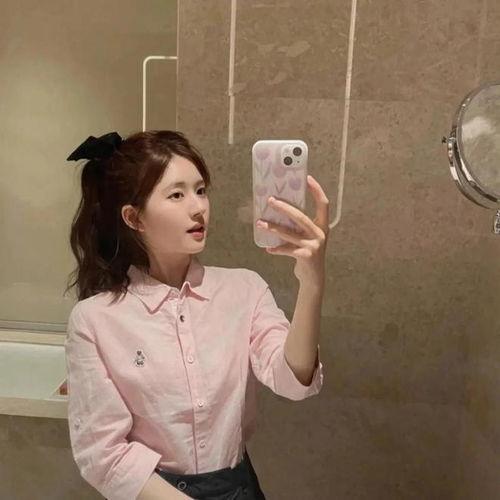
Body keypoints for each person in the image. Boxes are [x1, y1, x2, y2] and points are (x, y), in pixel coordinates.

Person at [63, 130, 329, 500]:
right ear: (134, 217)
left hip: (238, 488)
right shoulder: (94, 320)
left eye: (201, 190)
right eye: (177, 195)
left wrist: (312, 282)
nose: (198, 207)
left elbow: (293, 381)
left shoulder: (244, 290)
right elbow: (103, 454)